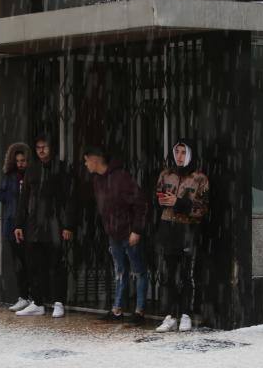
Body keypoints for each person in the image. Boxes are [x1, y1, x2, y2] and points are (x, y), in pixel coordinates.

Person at [82, 146, 148, 325]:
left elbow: (140, 202)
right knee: (120, 271)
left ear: (95, 160)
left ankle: (139, 311)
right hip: (114, 233)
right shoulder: (97, 180)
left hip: (128, 232)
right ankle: (117, 310)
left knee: (138, 271)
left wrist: (136, 229)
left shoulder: (121, 178)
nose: (85, 164)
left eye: (86, 160)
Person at [13, 134, 76, 318]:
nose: (41, 150)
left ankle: (58, 302)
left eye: (44, 146)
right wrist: (18, 224)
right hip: (34, 225)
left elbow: (70, 199)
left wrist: (68, 225)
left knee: (56, 264)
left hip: (55, 223)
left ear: (51, 148)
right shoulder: (32, 169)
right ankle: (38, 302)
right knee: (35, 265)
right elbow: (24, 199)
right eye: (38, 147)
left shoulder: (62, 169)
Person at [154, 139, 209, 332]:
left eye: (183, 152)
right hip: (168, 228)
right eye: (176, 152)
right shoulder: (166, 175)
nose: (179, 156)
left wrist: (179, 202)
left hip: (188, 230)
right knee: (168, 275)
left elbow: (202, 209)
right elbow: (158, 198)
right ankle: (170, 315)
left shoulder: (199, 178)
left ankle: (186, 314)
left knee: (187, 275)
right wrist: (163, 201)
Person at [0, 142, 31, 312]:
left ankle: (32, 296)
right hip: (12, 222)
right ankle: (23, 296)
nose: (20, 164)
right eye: (18, 161)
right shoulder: (10, 176)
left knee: (29, 262)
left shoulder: (30, 176)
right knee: (18, 262)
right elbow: (0, 193)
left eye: (23, 160)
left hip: (27, 223)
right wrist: (11, 198)